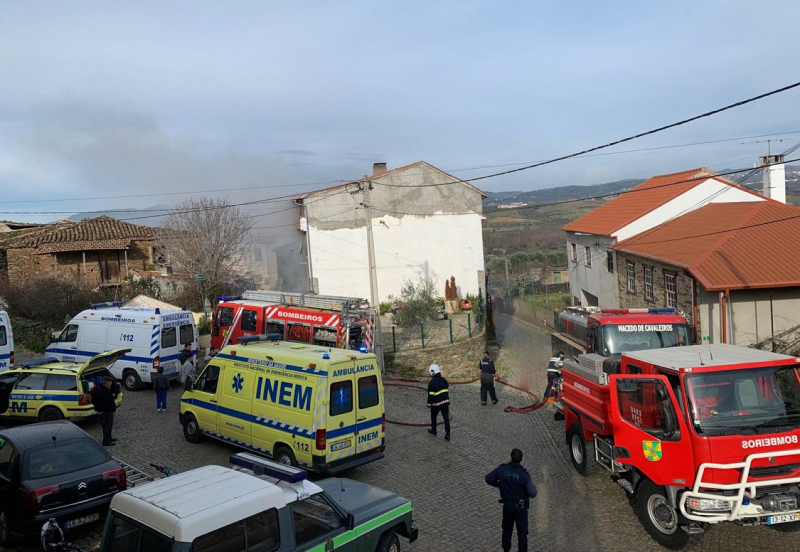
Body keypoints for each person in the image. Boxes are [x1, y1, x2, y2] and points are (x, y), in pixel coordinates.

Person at [485, 448, 538, 552]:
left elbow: (488, 478)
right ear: (521, 460)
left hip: (507, 506)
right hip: (520, 508)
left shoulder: (502, 469)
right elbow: (532, 493)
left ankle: (506, 549)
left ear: (510, 458)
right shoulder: (524, 474)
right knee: (522, 534)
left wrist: (499, 484)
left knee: (507, 530)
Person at [427, 364, 451, 441]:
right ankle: (447, 435)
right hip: (445, 402)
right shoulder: (444, 380)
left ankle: (434, 430)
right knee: (446, 419)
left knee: (433, 416)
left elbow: (430, 395)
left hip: (436, 404)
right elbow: (447, 387)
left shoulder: (431, 383)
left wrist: (429, 404)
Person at [92, 376, 118, 447]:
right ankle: (106, 441)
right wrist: (111, 408)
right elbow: (104, 403)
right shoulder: (102, 391)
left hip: (106, 411)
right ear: (107, 383)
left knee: (108, 426)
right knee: (107, 426)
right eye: (110, 382)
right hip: (105, 411)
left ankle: (109, 438)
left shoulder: (103, 389)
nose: (111, 384)